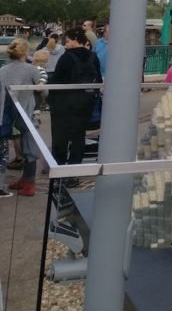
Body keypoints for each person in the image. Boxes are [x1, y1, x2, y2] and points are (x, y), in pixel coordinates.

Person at [48, 27, 102, 180]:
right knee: (78, 138)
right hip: (85, 105)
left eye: (68, 41)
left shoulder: (66, 58)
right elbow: (98, 81)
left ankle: (59, 173)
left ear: (76, 40)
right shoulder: (93, 57)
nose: (65, 44)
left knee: (60, 140)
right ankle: (74, 173)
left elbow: (56, 81)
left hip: (64, 106)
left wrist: (51, 101)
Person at [0, 39, 45, 197]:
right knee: (30, 147)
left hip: (6, 113)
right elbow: (43, 91)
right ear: (26, 52)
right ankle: (29, 181)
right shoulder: (32, 70)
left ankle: (24, 179)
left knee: (6, 148)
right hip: (26, 111)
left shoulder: (2, 70)